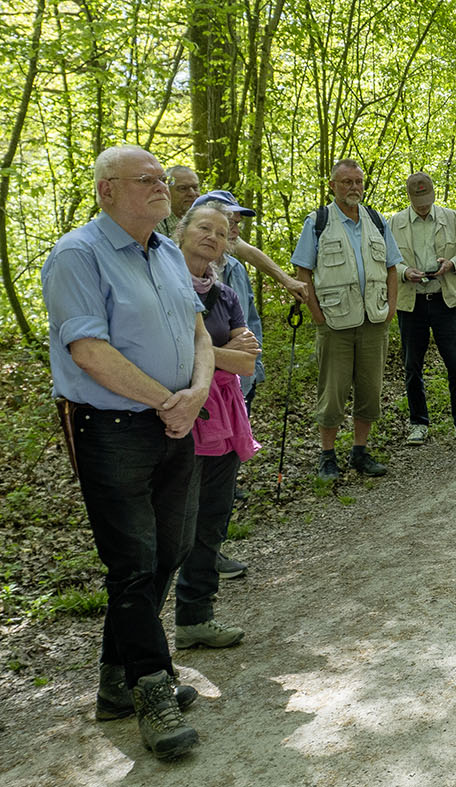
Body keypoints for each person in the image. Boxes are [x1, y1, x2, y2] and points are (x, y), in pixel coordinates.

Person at [42, 145, 211, 759]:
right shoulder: (76, 255)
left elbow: (197, 329)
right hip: (109, 427)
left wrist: (193, 394)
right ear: (107, 190)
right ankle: (151, 687)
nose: (162, 188)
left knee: (170, 550)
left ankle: (116, 682)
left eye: (164, 179)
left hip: (176, 420)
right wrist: (168, 400)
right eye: (147, 180)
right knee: (133, 564)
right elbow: (87, 349)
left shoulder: (167, 251)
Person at [170, 203, 260, 649]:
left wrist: (207, 350)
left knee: (212, 520)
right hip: (178, 419)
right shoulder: (162, 286)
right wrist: (219, 348)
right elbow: (170, 358)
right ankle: (144, 640)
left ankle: (195, 617)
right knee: (175, 529)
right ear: (181, 231)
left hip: (225, 418)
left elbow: (248, 360)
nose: (212, 237)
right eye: (204, 227)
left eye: (221, 233)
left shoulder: (224, 295)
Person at [291, 158, 402, 480]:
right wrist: (317, 316)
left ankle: (359, 451)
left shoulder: (377, 221)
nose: (354, 188)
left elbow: (392, 268)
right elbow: (303, 272)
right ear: (332, 185)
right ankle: (327, 456)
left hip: (374, 322)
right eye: (346, 182)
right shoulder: (318, 221)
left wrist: (391, 308)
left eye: (358, 182)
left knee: (370, 390)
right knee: (333, 392)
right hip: (335, 324)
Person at [389, 172, 456, 446]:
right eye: (418, 200)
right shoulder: (395, 223)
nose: (423, 205)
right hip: (411, 303)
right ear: (409, 197)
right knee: (412, 366)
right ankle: (418, 423)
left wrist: (452, 264)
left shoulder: (451, 218)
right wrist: (406, 272)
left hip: (445, 300)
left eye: (427, 199)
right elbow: (385, 260)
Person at [154, 165, 201, 237]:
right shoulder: (155, 224)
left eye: (195, 187)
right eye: (183, 188)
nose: (192, 193)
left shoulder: (209, 219)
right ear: (166, 191)